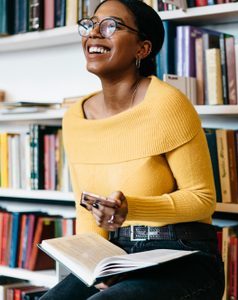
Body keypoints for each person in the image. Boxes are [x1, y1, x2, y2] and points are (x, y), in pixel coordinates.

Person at [41, 0, 224, 299]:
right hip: (116, 256)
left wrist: (132, 208)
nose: (94, 34)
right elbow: (87, 210)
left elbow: (202, 200)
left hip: (183, 256)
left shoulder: (167, 104)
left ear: (142, 49)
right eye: (90, 24)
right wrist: (95, 265)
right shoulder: (74, 118)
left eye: (110, 26)